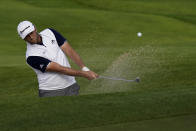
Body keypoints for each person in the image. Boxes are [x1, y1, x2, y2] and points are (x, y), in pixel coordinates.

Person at [17, 20, 99, 97]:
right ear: (22, 38)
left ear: (35, 28)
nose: (30, 37)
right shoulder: (31, 57)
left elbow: (69, 50)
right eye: (26, 36)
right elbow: (60, 69)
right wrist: (85, 74)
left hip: (71, 85)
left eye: (31, 33)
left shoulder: (50, 32)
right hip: (50, 92)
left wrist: (84, 68)